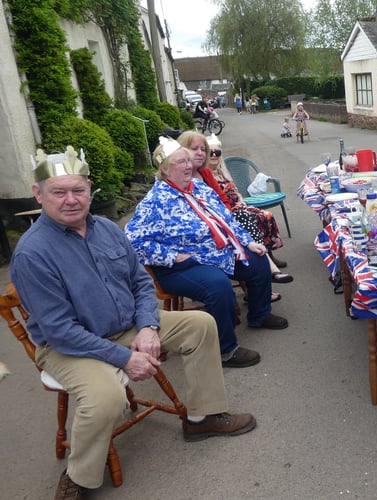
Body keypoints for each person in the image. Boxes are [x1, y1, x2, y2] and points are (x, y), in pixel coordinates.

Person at [11, 146, 256, 498]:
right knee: (107, 397)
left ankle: (202, 418)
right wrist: (126, 357)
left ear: (89, 189)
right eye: (58, 192)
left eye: (77, 190)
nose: (70, 200)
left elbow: (141, 283)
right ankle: (78, 478)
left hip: (126, 325)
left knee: (200, 324)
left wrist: (147, 327)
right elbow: (60, 331)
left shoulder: (108, 229)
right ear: (38, 194)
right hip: (69, 347)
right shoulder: (33, 254)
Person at [126, 138, 289, 367]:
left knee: (257, 260)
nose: (188, 166)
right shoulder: (154, 201)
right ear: (164, 169)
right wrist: (172, 256)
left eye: (188, 161)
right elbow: (132, 241)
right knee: (218, 286)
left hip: (217, 254)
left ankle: (259, 315)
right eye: (180, 162)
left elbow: (227, 219)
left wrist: (246, 242)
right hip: (181, 266)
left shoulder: (200, 188)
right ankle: (225, 351)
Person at [202, 133, 292, 288]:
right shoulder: (205, 175)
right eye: (211, 153)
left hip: (238, 207)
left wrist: (243, 204)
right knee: (250, 219)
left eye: (218, 152)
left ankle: (269, 254)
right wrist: (238, 209)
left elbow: (236, 192)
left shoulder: (222, 170)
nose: (215, 156)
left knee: (266, 216)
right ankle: (269, 267)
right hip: (227, 213)